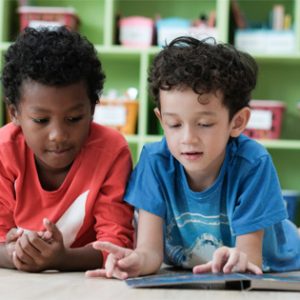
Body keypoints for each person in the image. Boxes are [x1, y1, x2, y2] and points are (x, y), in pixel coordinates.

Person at [86, 36, 300, 280]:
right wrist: (135, 261)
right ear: (161, 119)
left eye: (204, 124)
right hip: (197, 268)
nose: (188, 138)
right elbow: (150, 253)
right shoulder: (154, 162)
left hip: (283, 258)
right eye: (174, 124)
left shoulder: (252, 163)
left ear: (237, 122)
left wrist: (238, 259)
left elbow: (250, 258)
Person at [0, 26, 134, 272]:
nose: (58, 135)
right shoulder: (4, 151)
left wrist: (62, 259)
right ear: (14, 113)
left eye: (74, 118)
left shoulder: (112, 152)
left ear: (93, 109)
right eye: (41, 120)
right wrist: (16, 255)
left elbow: (117, 245)